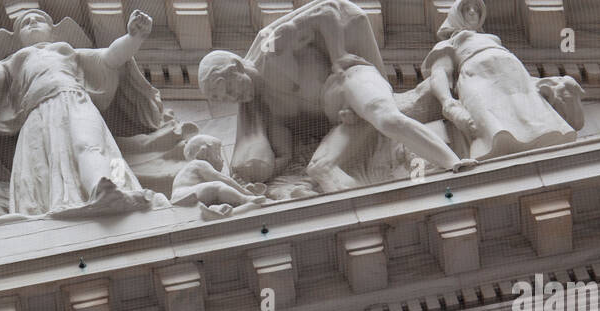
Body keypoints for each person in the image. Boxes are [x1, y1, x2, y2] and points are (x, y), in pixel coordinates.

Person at [198, 0, 468, 195]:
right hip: (346, 118)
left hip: (349, 79)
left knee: (387, 120)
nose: (236, 97)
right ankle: (367, 217)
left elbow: (327, 11)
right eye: (228, 98)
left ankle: (455, 163)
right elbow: (284, 154)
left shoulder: (270, 48)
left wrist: (338, 54)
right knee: (319, 168)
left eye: (230, 88)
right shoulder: (268, 110)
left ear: (235, 66)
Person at [0, 9, 168, 218]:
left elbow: (109, 58)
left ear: (52, 31)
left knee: (89, 144)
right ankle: (50, 206)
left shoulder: (65, 51)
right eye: (25, 22)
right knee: (43, 166)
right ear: (18, 37)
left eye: (38, 19)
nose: (32, 22)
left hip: (75, 100)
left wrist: (134, 36)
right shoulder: (14, 61)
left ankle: (101, 189)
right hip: (37, 115)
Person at [425, 0, 583, 160]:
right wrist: (448, 103)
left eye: (476, 9)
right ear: (456, 15)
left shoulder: (492, 40)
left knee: (534, 121)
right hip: (479, 80)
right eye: (467, 9)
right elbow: (439, 73)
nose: (473, 12)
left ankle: (541, 137)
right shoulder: (450, 43)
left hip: (516, 80)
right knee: (496, 130)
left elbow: (524, 77)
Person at [171, 135, 268, 218]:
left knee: (215, 190)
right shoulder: (198, 163)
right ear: (204, 152)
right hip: (184, 195)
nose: (222, 160)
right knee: (217, 185)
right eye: (217, 153)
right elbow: (221, 178)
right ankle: (244, 199)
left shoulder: (195, 172)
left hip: (184, 196)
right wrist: (245, 192)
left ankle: (217, 209)